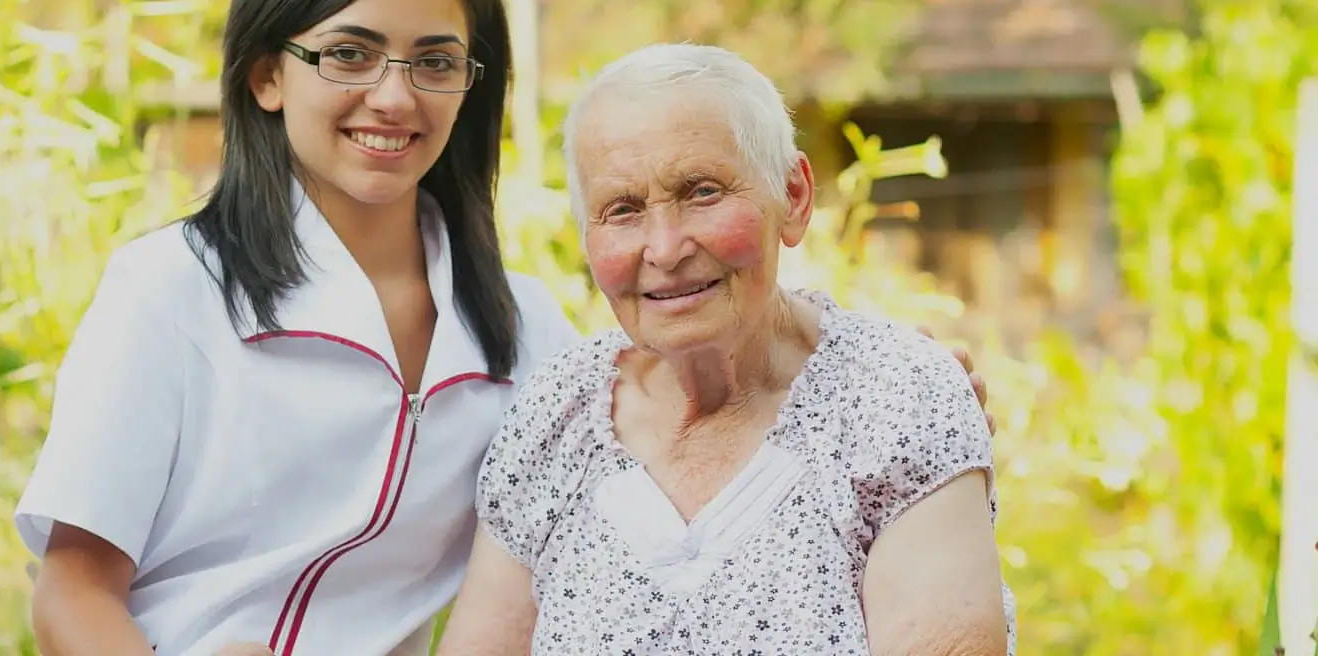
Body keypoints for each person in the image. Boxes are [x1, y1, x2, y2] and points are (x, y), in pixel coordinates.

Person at [12, 0, 994, 656]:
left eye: (435, 60)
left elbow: (686, 388)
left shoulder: (520, 332)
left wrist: (906, 389)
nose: (394, 96)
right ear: (268, 74)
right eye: (349, 54)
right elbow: (71, 593)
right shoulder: (171, 295)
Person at [435, 43, 1016, 655]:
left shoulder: (894, 400)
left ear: (792, 197)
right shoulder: (559, 414)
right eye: (622, 210)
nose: (663, 248)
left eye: (702, 193)